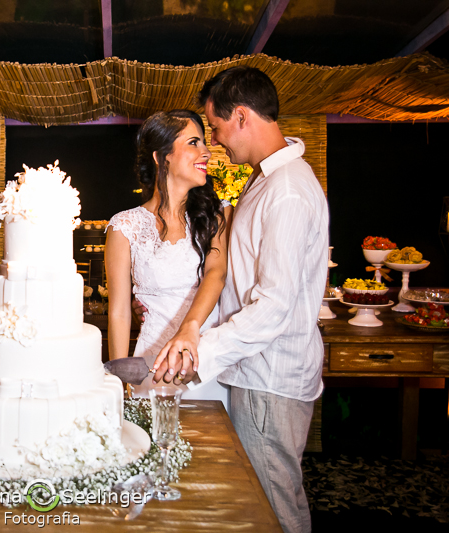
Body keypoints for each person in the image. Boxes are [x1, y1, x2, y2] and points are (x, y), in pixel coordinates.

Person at [142, 66, 329, 533]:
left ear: (242, 116)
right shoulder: (266, 181)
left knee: (272, 504)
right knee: (256, 498)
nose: (217, 143)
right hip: (252, 371)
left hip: (269, 377)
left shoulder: (286, 191)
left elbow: (275, 306)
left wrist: (198, 348)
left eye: (218, 128)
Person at [105, 109, 232, 408]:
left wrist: (189, 330)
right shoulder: (124, 226)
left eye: (204, 142)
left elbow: (217, 273)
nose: (206, 152)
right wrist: (119, 381)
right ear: (163, 157)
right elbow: (120, 312)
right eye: (194, 143)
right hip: (150, 364)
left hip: (205, 361)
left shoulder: (217, 213)